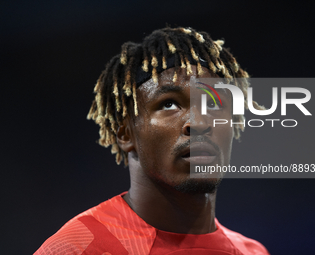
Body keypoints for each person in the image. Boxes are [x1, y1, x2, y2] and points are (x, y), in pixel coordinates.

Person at [34, 26, 269, 255]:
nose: (199, 122)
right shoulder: (76, 248)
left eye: (215, 104)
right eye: (169, 104)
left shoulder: (253, 252)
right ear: (125, 133)